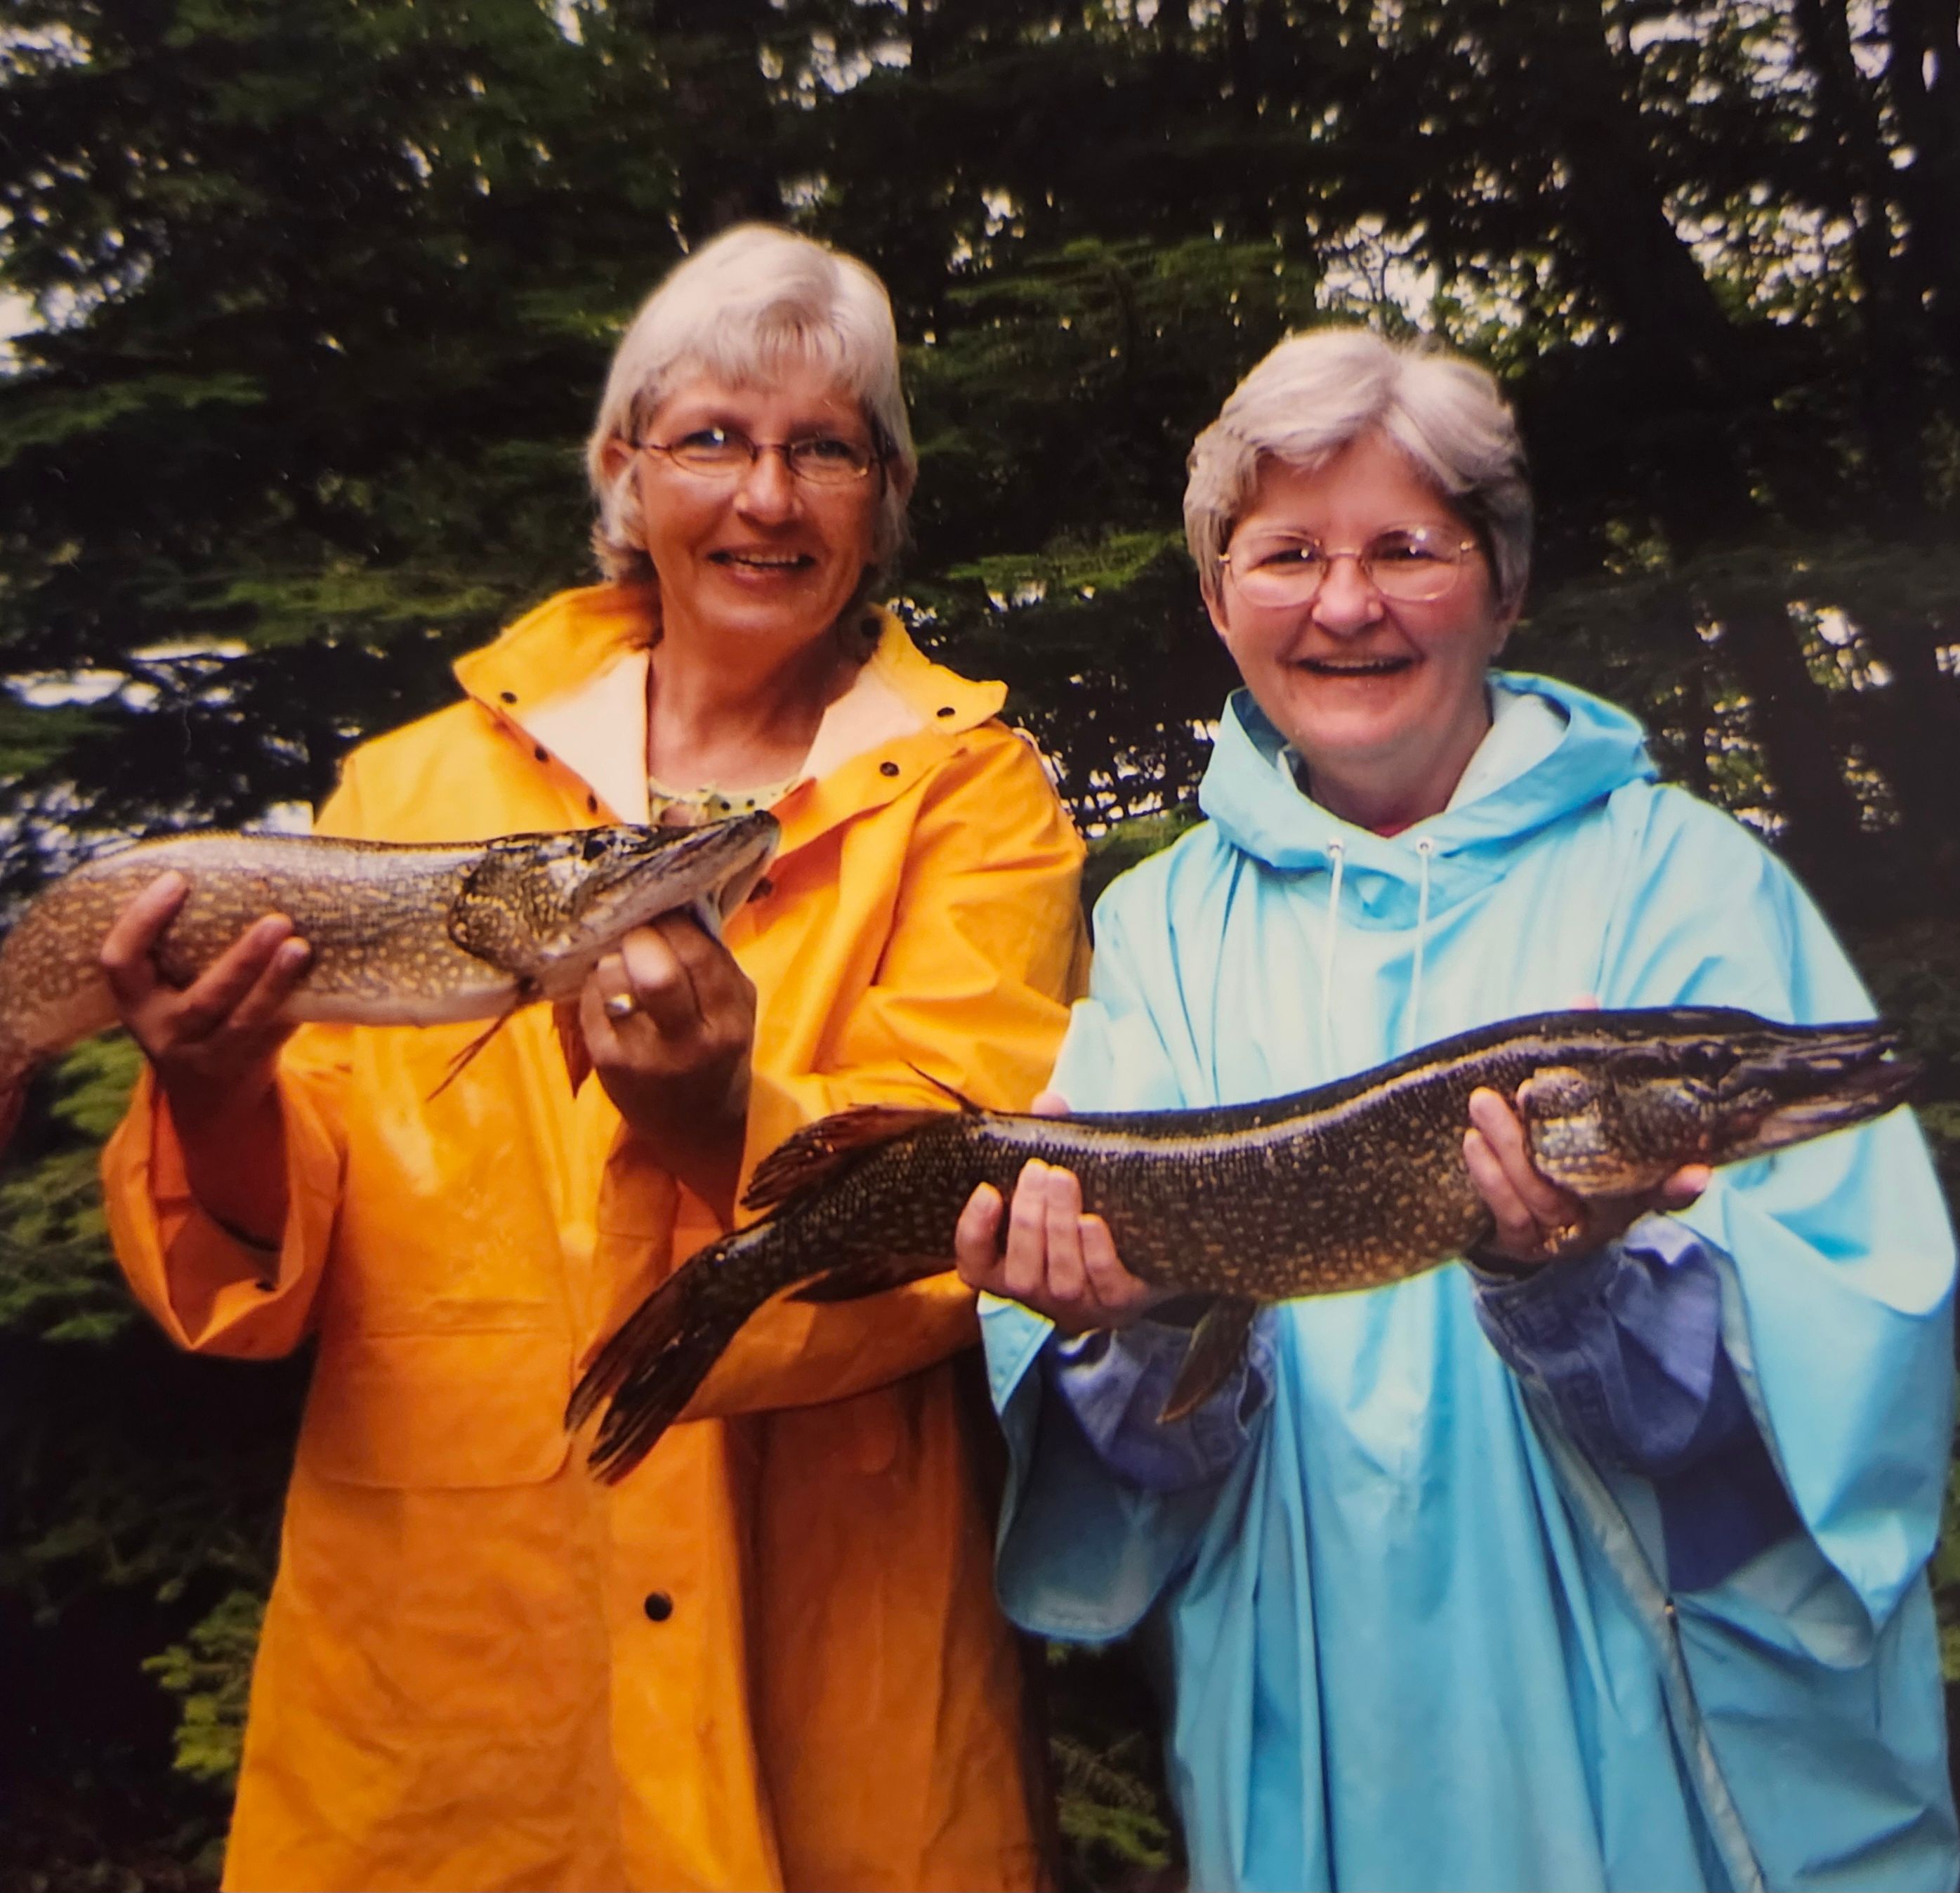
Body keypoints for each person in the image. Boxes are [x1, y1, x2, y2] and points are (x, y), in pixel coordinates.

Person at [96, 223, 1086, 1892]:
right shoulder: (405, 796)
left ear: (884, 493)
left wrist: (723, 1121)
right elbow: (287, 1234)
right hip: (461, 1675)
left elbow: (959, 1212)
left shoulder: (975, 800)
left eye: (823, 449)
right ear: (624, 472)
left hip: (827, 1659)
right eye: (709, 440)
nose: (764, 499)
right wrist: (211, 1093)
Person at [954, 328, 1958, 1892]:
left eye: (1406, 549)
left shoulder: (1692, 882)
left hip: (1658, 1715)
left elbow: (1855, 1347)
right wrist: (1133, 1323)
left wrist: (1583, 1292)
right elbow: (1136, 1440)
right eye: (1286, 553)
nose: (1344, 605)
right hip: (1323, 1700)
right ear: (1219, 602)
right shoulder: (1155, 927)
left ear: (1503, 584)